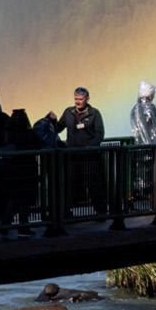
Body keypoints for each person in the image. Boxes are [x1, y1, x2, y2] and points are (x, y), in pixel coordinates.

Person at [55, 87, 108, 217]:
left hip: (89, 157)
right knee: (69, 184)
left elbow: (99, 134)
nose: (77, 102)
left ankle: (100, 212)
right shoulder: (68, 112)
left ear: (87, 99)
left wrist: (89, 148)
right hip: (72, 157)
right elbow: (58, 128)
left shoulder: (94, 113)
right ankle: (66, 213)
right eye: (76, 99)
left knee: (93, 184)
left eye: (80, 99)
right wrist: (49, 121)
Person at [0, 109, 44, 235]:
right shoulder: (31, 134)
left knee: (13, 200)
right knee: (25, 201)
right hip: (28, 172)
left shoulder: (7, 134)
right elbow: (39, 146)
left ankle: (5, 226)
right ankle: (23, 226)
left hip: (12, 173)